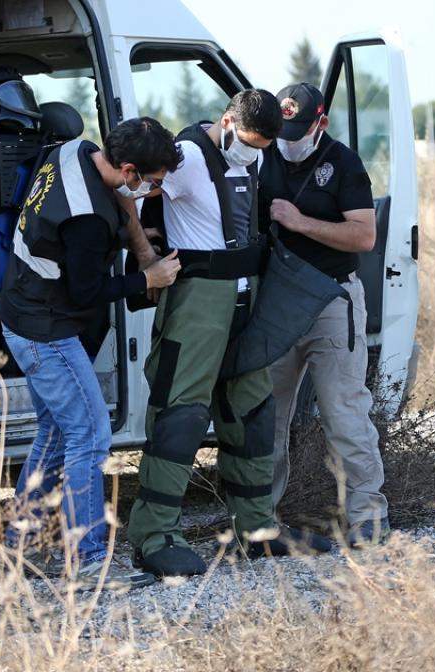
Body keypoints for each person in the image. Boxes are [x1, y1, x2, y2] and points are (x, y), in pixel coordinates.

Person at [126, 90, 332, 579]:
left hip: (246, 298)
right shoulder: (187, 156)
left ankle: (259, 529)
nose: (252, 153)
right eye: (247, 142)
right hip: (198, 300)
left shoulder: (252, 155)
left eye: (261, 147)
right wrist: (145, 255)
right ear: (227, 122)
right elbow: (125, 191)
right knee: (180, 416)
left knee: (253, 413)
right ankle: (155, 537)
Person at [0, 117, 183, 591]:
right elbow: (85, 292)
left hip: (20, 311)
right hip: (46, 329)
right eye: (151, 182)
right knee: (90, 434)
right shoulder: (86, 221)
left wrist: (136, 241)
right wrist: (147, 278)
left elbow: (106, 212)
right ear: (128, 169)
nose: (152, 191)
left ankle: (18, 547)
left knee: (57, 432)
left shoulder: (73, 151)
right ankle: (87, 562)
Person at [258, 83, 390, 546]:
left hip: (331, 298)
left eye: (297, 131)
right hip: (276, 302)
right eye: (281, 131)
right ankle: (260, 521)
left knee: (344, 413)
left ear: (321, 124)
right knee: (266, 416)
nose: (287, 140)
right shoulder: (262, 154)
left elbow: (364, 237)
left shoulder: (344, 163)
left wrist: (299, 222)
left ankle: (368, 518)